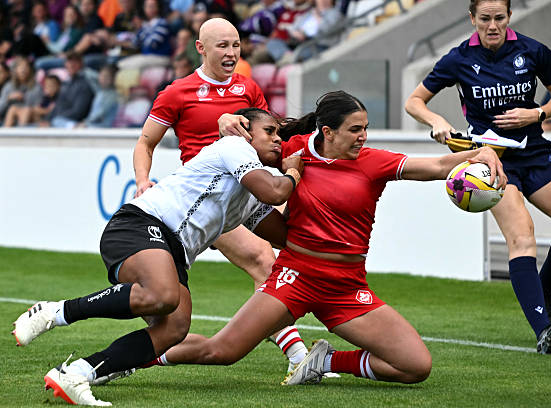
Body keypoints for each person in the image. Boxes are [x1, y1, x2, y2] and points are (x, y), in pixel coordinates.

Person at [132, 90, 506, 387]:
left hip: (346, 286)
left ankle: (323, 361)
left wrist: (480, 152)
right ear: (327, 132)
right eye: (355, 129)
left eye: (365, 128)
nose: (363, 137)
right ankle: (128, 360)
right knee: (222, 350)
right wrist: (226, 118)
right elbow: (249, 136)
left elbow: (438, 166)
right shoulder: (292, 151)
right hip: (295, 275)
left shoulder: (373, 162)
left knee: (414, 366)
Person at [12, 107, 304, 406]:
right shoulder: (234, 146)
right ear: (244, 129)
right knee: (163, 295)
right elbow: (275, 192)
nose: (277, 140)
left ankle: (77, 373)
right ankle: (55, 312)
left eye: (280, 135)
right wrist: (295, 170)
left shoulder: (251, 193)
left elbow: (284, 236)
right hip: (139, 224)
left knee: (174, 328)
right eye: (269, 132)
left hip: (172, 251)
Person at [404, 0, 551, 354]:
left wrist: (534, 113)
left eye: (500, 18)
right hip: (490, 160)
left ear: (509, 16)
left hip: (536, 153)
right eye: (485, 19)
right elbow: (415, 101)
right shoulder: (457, 59)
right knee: (521, 236)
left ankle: (544, 283)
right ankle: (543, 329)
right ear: (472, 18)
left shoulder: (534, 51)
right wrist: (437, 122)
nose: (493, 26)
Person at [134, 17, 310, 371]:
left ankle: (144, 354)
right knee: (265, 261)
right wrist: (143, 180)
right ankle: (299, 357)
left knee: (290, 249)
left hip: (245, 193)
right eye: (222, 46)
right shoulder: (177, 92)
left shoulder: (248, 88)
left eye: (236, 45)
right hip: (207, 198)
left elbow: (268, 136)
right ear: (201, 48)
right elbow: (145, 141)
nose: (231, 53)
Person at [47, 51, 95, 128]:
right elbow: (58, 105)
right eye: (69, 62)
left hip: (74, 122)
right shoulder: (66, 83)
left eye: (74, 62)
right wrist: (48, 120)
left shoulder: (85, 84)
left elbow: (79, 111)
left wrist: (56, 118)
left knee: (57, 121)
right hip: (60, 120)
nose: (71, 65)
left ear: (81, 64)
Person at [0, 57, 43, 124]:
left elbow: (39, 108)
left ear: (30, 70)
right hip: (8, 120)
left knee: (24, 110)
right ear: (15, 70)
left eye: (26, 66)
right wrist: (8, 98)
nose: (24, 69)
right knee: (13, 109)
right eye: (20, 66)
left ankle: (20, 131)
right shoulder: (8, 86)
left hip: (30, 119)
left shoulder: (36, 87)